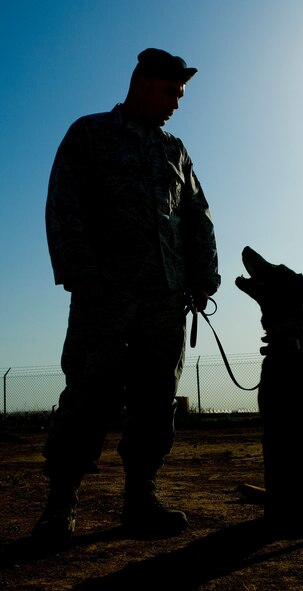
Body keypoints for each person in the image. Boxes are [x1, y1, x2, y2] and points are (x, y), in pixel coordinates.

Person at [32, 48, 220, 543]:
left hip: (165, 299)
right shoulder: (89, 133)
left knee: (156, 400)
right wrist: (80, 273)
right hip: (104, 295)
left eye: (180, 95)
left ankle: (141, 498)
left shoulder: (174, 149)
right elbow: (63, 205)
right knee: (89, 396)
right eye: (169, 92)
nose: (176, 104)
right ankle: (60, 505)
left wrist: (204, 277)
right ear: (140, 82)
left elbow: (197, 215)